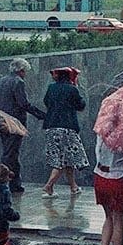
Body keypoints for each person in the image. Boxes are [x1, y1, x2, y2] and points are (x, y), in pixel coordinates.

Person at [0, 58, 45, 193]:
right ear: (21, 70)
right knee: (11, 154)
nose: (25, 74)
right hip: (15, 123)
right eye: (25, 71)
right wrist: (41, 115)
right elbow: (23, 104)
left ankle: (14, 183)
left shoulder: (1, 81)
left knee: (9, 151)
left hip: (2, 121)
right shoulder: (18, 82)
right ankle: (5, 182)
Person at [41, 67, 88, 198]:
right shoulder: (72, 89)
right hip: (67, 127)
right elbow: (81, 105)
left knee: (68, 159)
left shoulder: (51, 88)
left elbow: (46, 102)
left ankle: (74, 187)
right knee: (62, 160)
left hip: (51, 127)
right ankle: (48, 185)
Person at [93, 134, 123, 245]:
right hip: (117, 178)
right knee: (119, 221)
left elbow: (97, 151)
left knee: (108, 217)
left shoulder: (102, 131)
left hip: (100, 176)